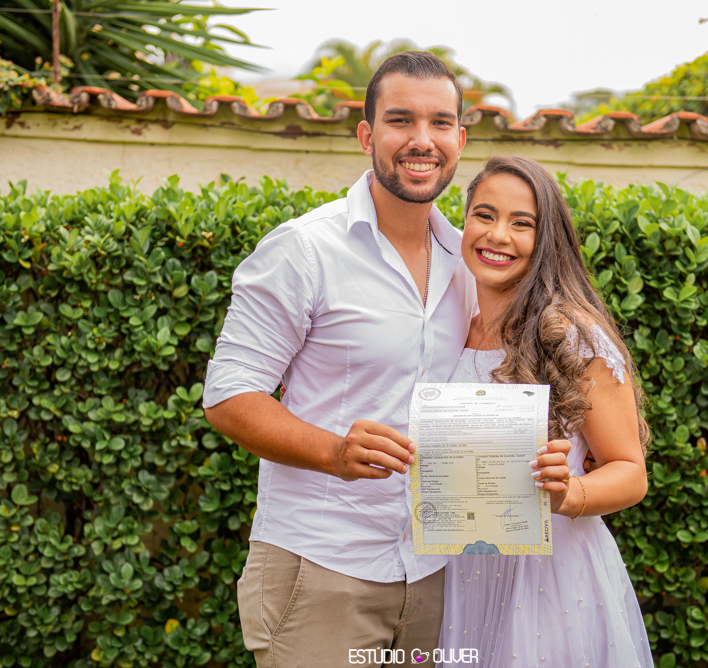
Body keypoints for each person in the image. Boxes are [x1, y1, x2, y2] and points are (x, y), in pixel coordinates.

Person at [202, 53, 573, 668]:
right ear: (367, 134)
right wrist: (332, 452)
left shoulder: (473, 262)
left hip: (434, 574)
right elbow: (228, 397)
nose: (421, 141)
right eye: (401, 120)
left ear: (460, 138)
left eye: (440, 123)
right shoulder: (303, 251)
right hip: (322, 569)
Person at [437, 156, 654, 668]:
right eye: (484, 215)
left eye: (522, 223)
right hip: (459, 575)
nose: (498, 235)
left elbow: (630, 473)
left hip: (549, 582)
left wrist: (567, 493)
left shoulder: (571, 333)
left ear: (547, 238)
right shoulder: (448, 326)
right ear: (463, 222)